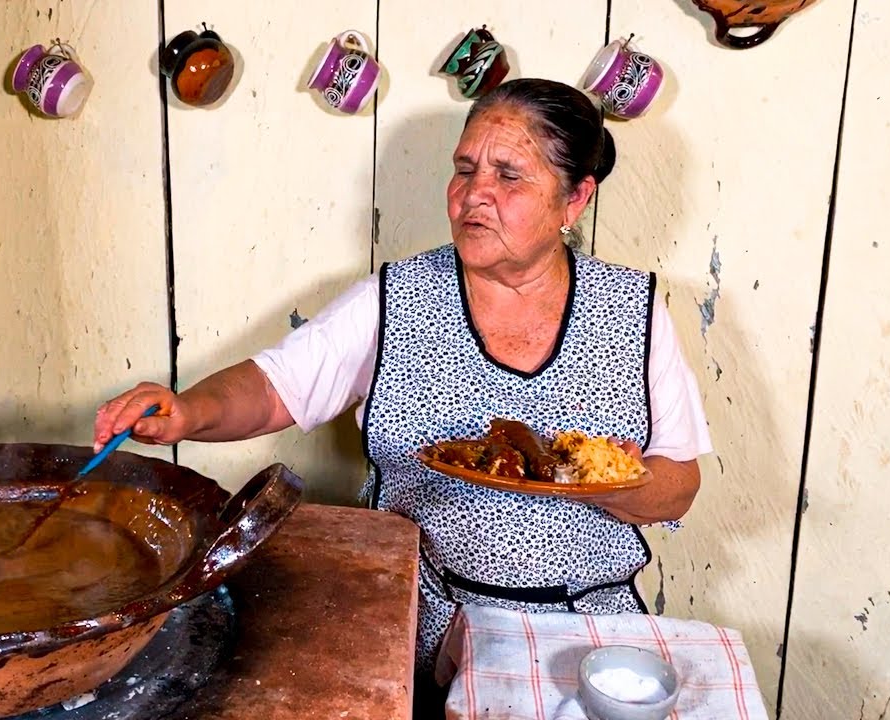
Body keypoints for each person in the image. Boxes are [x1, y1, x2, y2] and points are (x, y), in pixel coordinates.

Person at [93, 78, 711, 697]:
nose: (475, 196)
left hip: (589, 636)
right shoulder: (396, 298)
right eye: (465, 170)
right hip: (422, 621)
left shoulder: (634, 310)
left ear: (575, 199)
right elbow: (276, 387)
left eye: (509, 176)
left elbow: (678, 486)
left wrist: (606, 480)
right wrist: (187, 410)